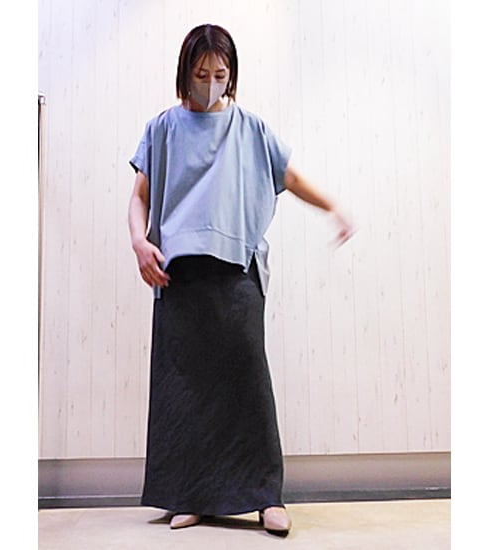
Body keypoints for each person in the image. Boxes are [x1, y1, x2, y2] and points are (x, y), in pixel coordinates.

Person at [128, 23, 354, 537]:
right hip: (179, 273)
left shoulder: (250, 129)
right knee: (184, 389)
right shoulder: (162, 128)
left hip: (236, 271)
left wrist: (333, 207)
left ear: (231, 76)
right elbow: (139, 196)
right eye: (201, 73)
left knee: (248, 385)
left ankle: (265, 498)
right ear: (185, 73)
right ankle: (191, 497)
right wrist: (139, 241)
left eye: (220, 74)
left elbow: (290, 177)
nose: (210, 83)